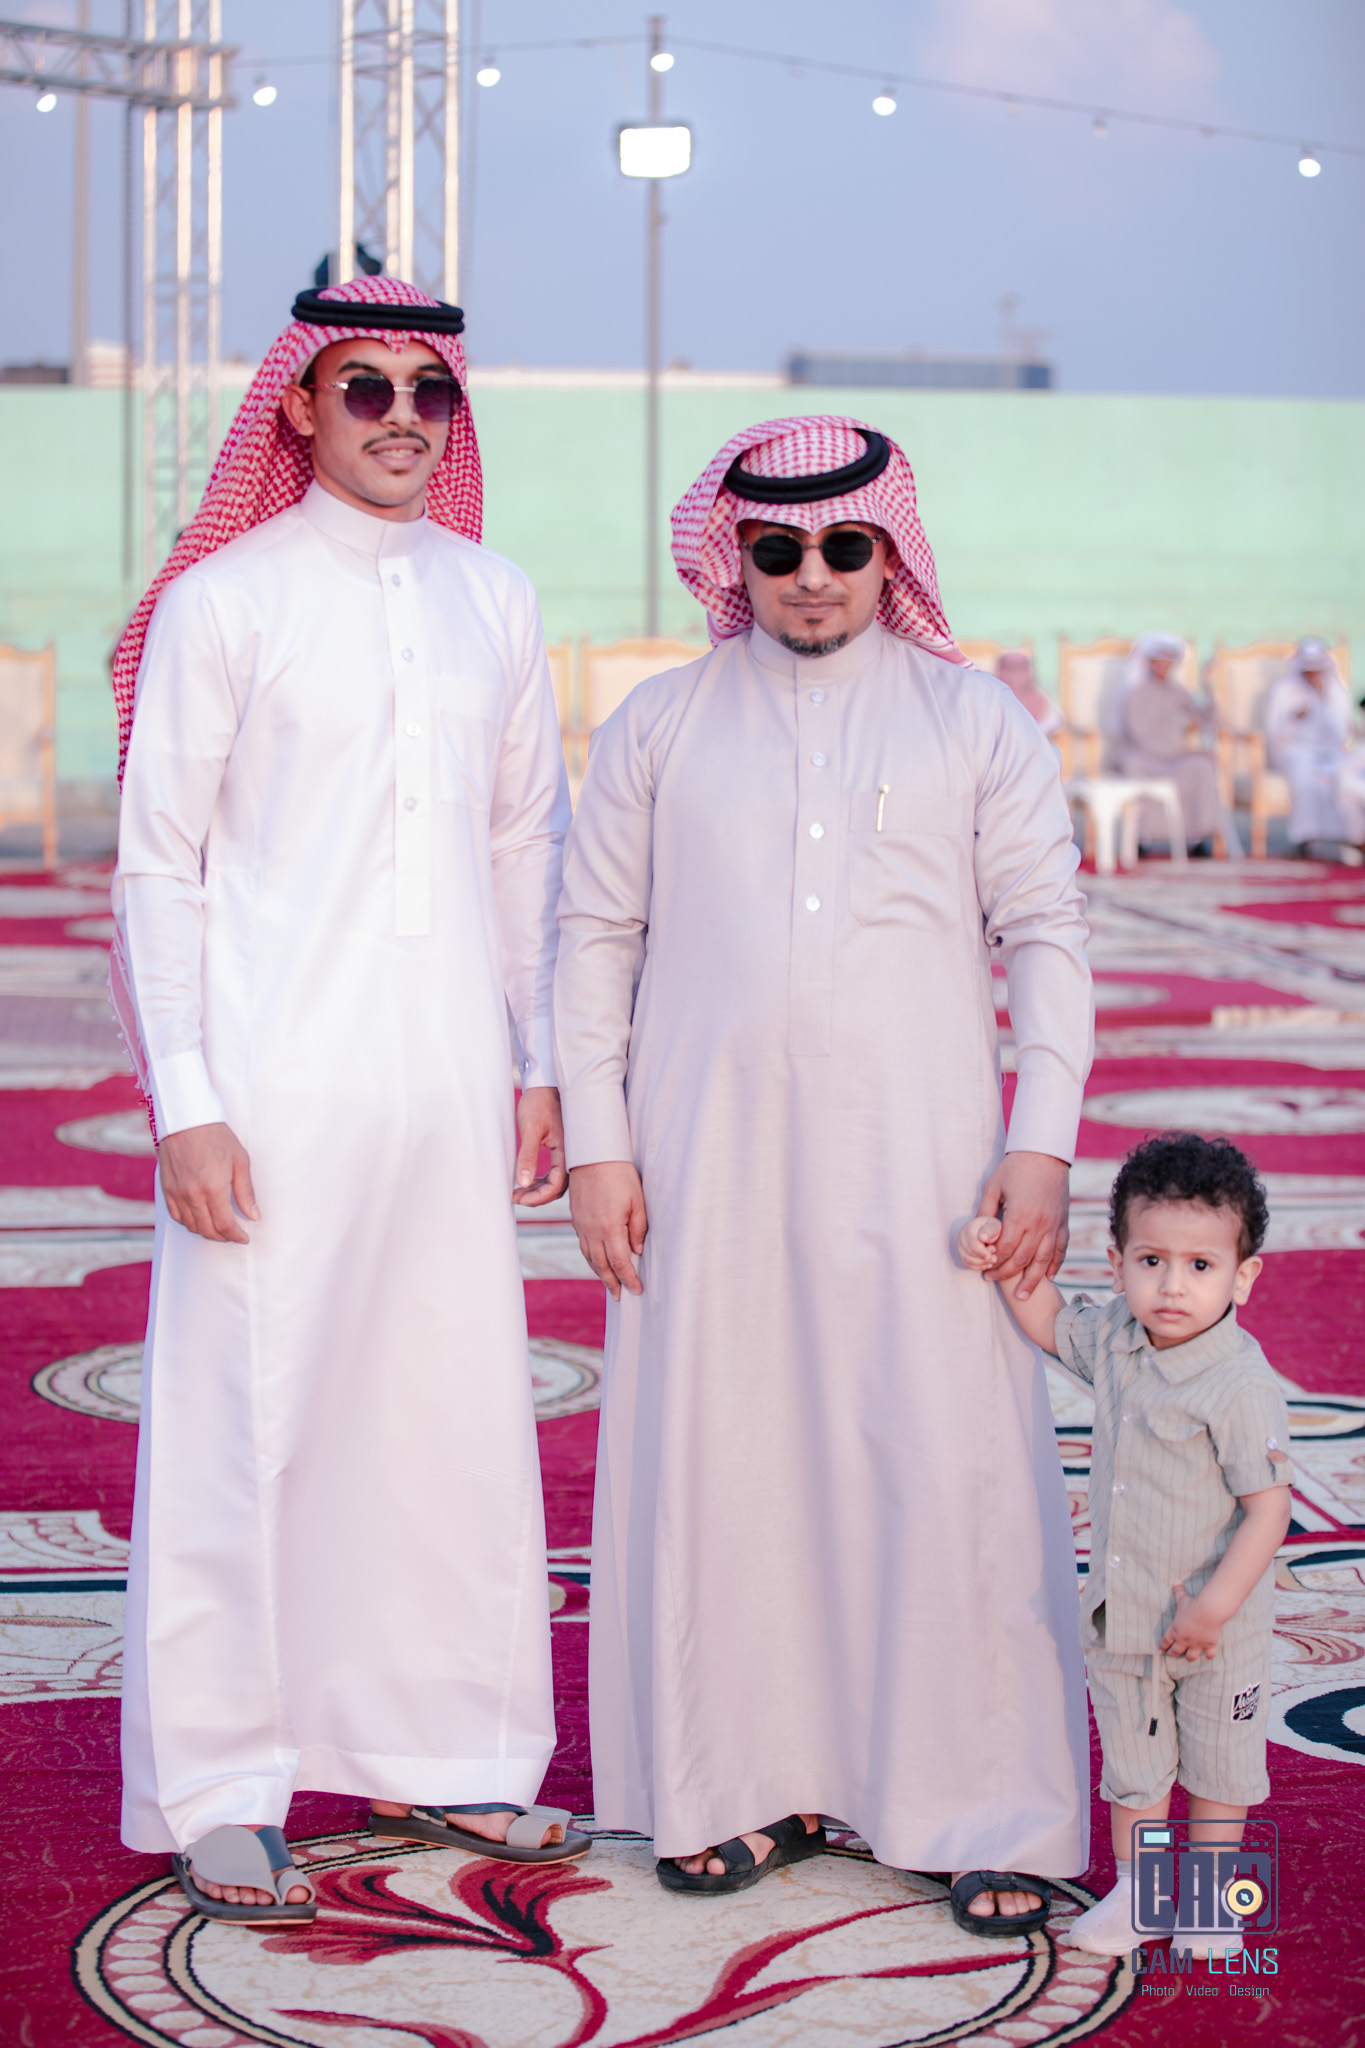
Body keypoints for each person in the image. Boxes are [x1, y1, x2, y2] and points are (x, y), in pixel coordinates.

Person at [553, 416, 1094, 1934]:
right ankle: (736, 1783)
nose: (811, 575)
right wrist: (596, 1143)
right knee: (724, 1458)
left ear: (888, 549)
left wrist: (1042, 1136)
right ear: (733, 553)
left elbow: (1045, 932)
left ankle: (990, 1807)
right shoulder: (659, 724)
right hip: (699, 1160)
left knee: (945, 1460)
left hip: (927, 1166)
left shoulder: (974, 721)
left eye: (844, 545)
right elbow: (591, 939)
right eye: (777, 548)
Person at [111, 275, 586, 1925]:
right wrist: (186, 1096)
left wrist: (535, 1059)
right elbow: (158, 862)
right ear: (300, 407)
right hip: (270, 1085)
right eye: (363, 387)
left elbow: (526, 841)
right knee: (247, 1421)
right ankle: (222, 1782)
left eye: (426, 391)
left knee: (443, 1415)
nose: (400, 418)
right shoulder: (223, 600)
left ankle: (443, 1748)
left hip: (449, 1077)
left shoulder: (494, 598)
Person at [959, 1132, 1292, 1960]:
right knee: (1135, 1774)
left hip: (1216, 1631)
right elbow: (1045, 1321)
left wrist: (1213, 1609)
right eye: (1151, 1261)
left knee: (1215, 1772)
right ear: (1116, 1265)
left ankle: (1209, 1904)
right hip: (1126, 1619)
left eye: (1200, 1265)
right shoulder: (1115, 1338)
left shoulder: (1239, 1385)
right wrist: (994, 1252)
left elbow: (1267, 1511)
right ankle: (1141, 1896)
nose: (1172, 1285)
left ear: (1242, 1277)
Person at [1112, 632, 1222, 854]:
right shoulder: (1135, 692)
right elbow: (1136, 734)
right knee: (1133, 766)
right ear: (1149, 662)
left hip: (1174, 758)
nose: (1164, 666)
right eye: (1159, 660)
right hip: (1145, 757)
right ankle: (1141, 837)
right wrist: (1177, 752)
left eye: (1169, 661)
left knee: (1201, 766)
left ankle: (1197, 838)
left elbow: (1206, 718)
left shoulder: (1178, 691)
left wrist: (1208, 686)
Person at [1264, 638, 1364, 855]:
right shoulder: (1284, 690)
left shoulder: (1336, 690)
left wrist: (1323, 700)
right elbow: (1273, 730)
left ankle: (1348, 837)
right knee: (1304, 773)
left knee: (1342, 776)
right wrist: (1294, 717)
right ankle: (1306, 838)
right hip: (1294, 751)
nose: (1313, 676)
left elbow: (1343, 731)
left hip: (1331, 752)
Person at [995, 647, 1064, 737]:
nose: (1013, 677)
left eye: (1018, 670)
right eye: (1008, 670)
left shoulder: (1039, 696)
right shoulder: (990, 695)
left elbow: (1055, 722)